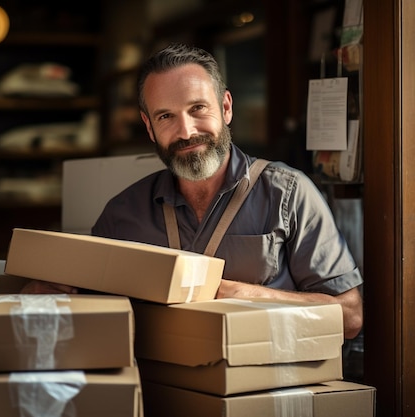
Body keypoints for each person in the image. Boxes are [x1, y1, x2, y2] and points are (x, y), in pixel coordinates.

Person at [22, 42, 363, 340]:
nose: (186, 131)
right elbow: (90, 314)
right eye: (166, 116)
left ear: (226, 107)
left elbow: (349, 317)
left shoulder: (288, 194)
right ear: (149, 128)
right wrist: (43, 296)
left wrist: (241, 293)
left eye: (198, 109)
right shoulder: (122, 214)